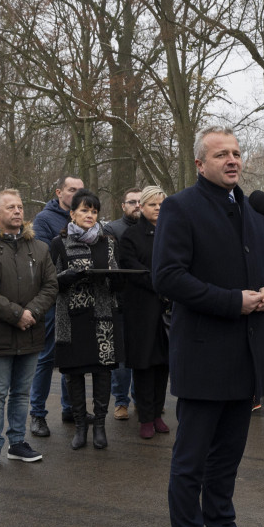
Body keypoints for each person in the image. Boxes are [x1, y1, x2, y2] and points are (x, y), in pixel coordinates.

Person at [153, 125, 264, 527]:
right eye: (221, 154)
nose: (232, 160)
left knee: (228, 455)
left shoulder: (250, 208)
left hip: (245, 355)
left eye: (237, 153)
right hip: (204, 354)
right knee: (192, 460)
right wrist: (233, 301)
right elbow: (167, 277)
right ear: (200, 164)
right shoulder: (180, 207)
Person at [0, 189, 58, 471]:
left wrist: (31, 313)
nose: (17, 211)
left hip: (31, 331)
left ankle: (17, 443)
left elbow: (50, 286)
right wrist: (17, 314)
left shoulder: (39, 248)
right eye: (10, 207)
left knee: (21, 392)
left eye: (20, 207)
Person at [50, 188, 125, 450]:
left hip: (103, 316)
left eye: (94, 211)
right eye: (84, 210)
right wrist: (64, 278)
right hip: (71, 319)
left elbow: (116, 274)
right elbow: (48, 284)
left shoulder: (109, 242)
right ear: (72, 213)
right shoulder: (58, 244)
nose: (90, 215)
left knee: (103, 372)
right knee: (75, 375)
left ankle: (100, 426)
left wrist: (117, 278)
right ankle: (81, 426)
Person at [28, 175, 84, 437]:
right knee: (47, 356)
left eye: (80, 190)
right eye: (72, 189)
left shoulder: (84, 216)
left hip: (76, 296)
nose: (76, 193)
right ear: (59, 192)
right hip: (52, 296)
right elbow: (40, 259)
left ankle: (69, 407)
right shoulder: (44, 219)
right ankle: (37, 414)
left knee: (71, 354)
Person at [118, 185, 170, 439]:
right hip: (141, 309)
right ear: (142, 207)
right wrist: (161, 283)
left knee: (163, 364)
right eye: (153, 204)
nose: (158, 209)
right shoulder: (130, 236)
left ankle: (158, 412)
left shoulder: (171, 233)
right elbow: (131, 267)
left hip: (167, 308)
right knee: (144, 364)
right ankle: (146, 417)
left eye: (161, 204)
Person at [104, 187, 142, 420]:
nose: (137, 205)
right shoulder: (112, 229)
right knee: (121, 358)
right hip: (119, 300)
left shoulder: (155, 228)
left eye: (141, 201)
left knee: (143, 354)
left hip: (145, 300)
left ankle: (142, 399)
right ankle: (121, 402)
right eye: (132, 202)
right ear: (123, 205)